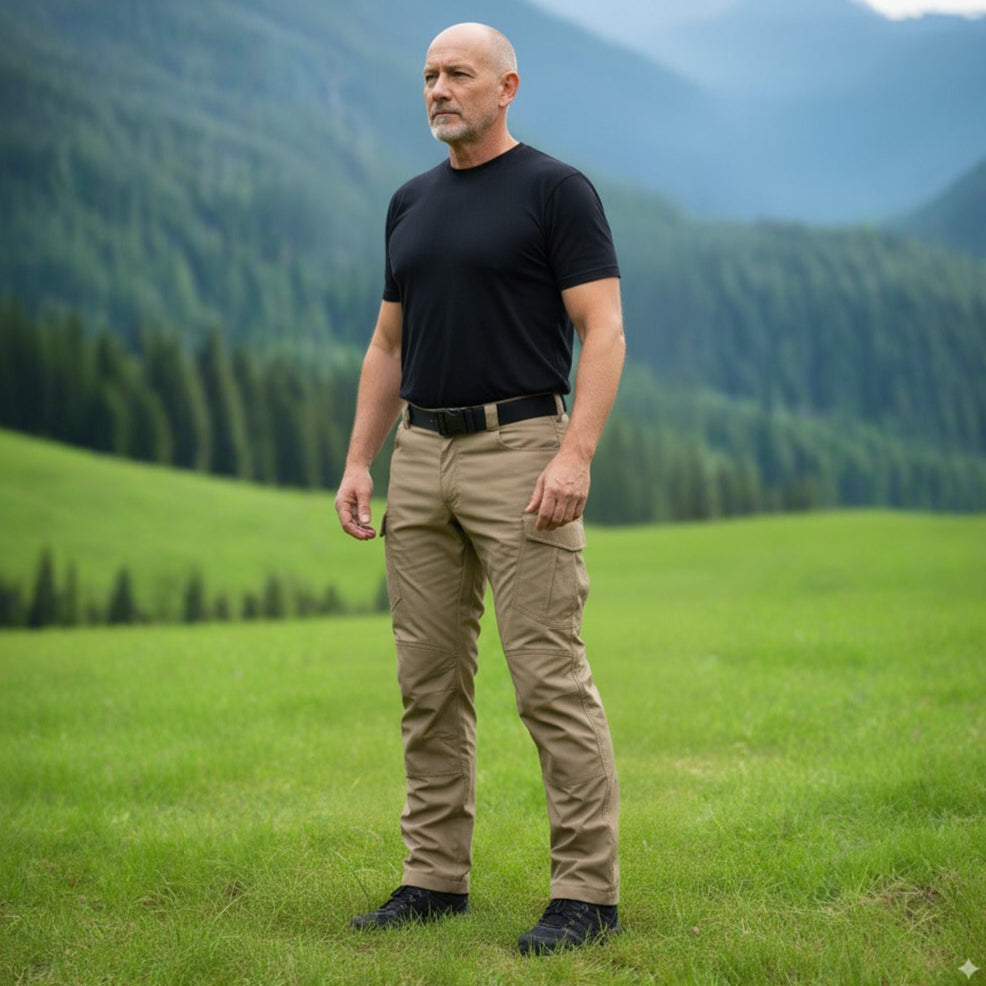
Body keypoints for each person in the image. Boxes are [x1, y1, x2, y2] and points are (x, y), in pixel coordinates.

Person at [334, 21, 624, 956]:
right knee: (427, 687)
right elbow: (386, 344)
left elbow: (604, 331)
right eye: (427, 75)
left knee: (549, 682)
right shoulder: (409, 203)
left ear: (507, 87)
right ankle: (432, 882)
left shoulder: (555, 191)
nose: (438, 89)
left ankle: (586, 895)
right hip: (419, 455)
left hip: (522, 447)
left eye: (458, 73)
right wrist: (358, 462)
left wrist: (573, 454)